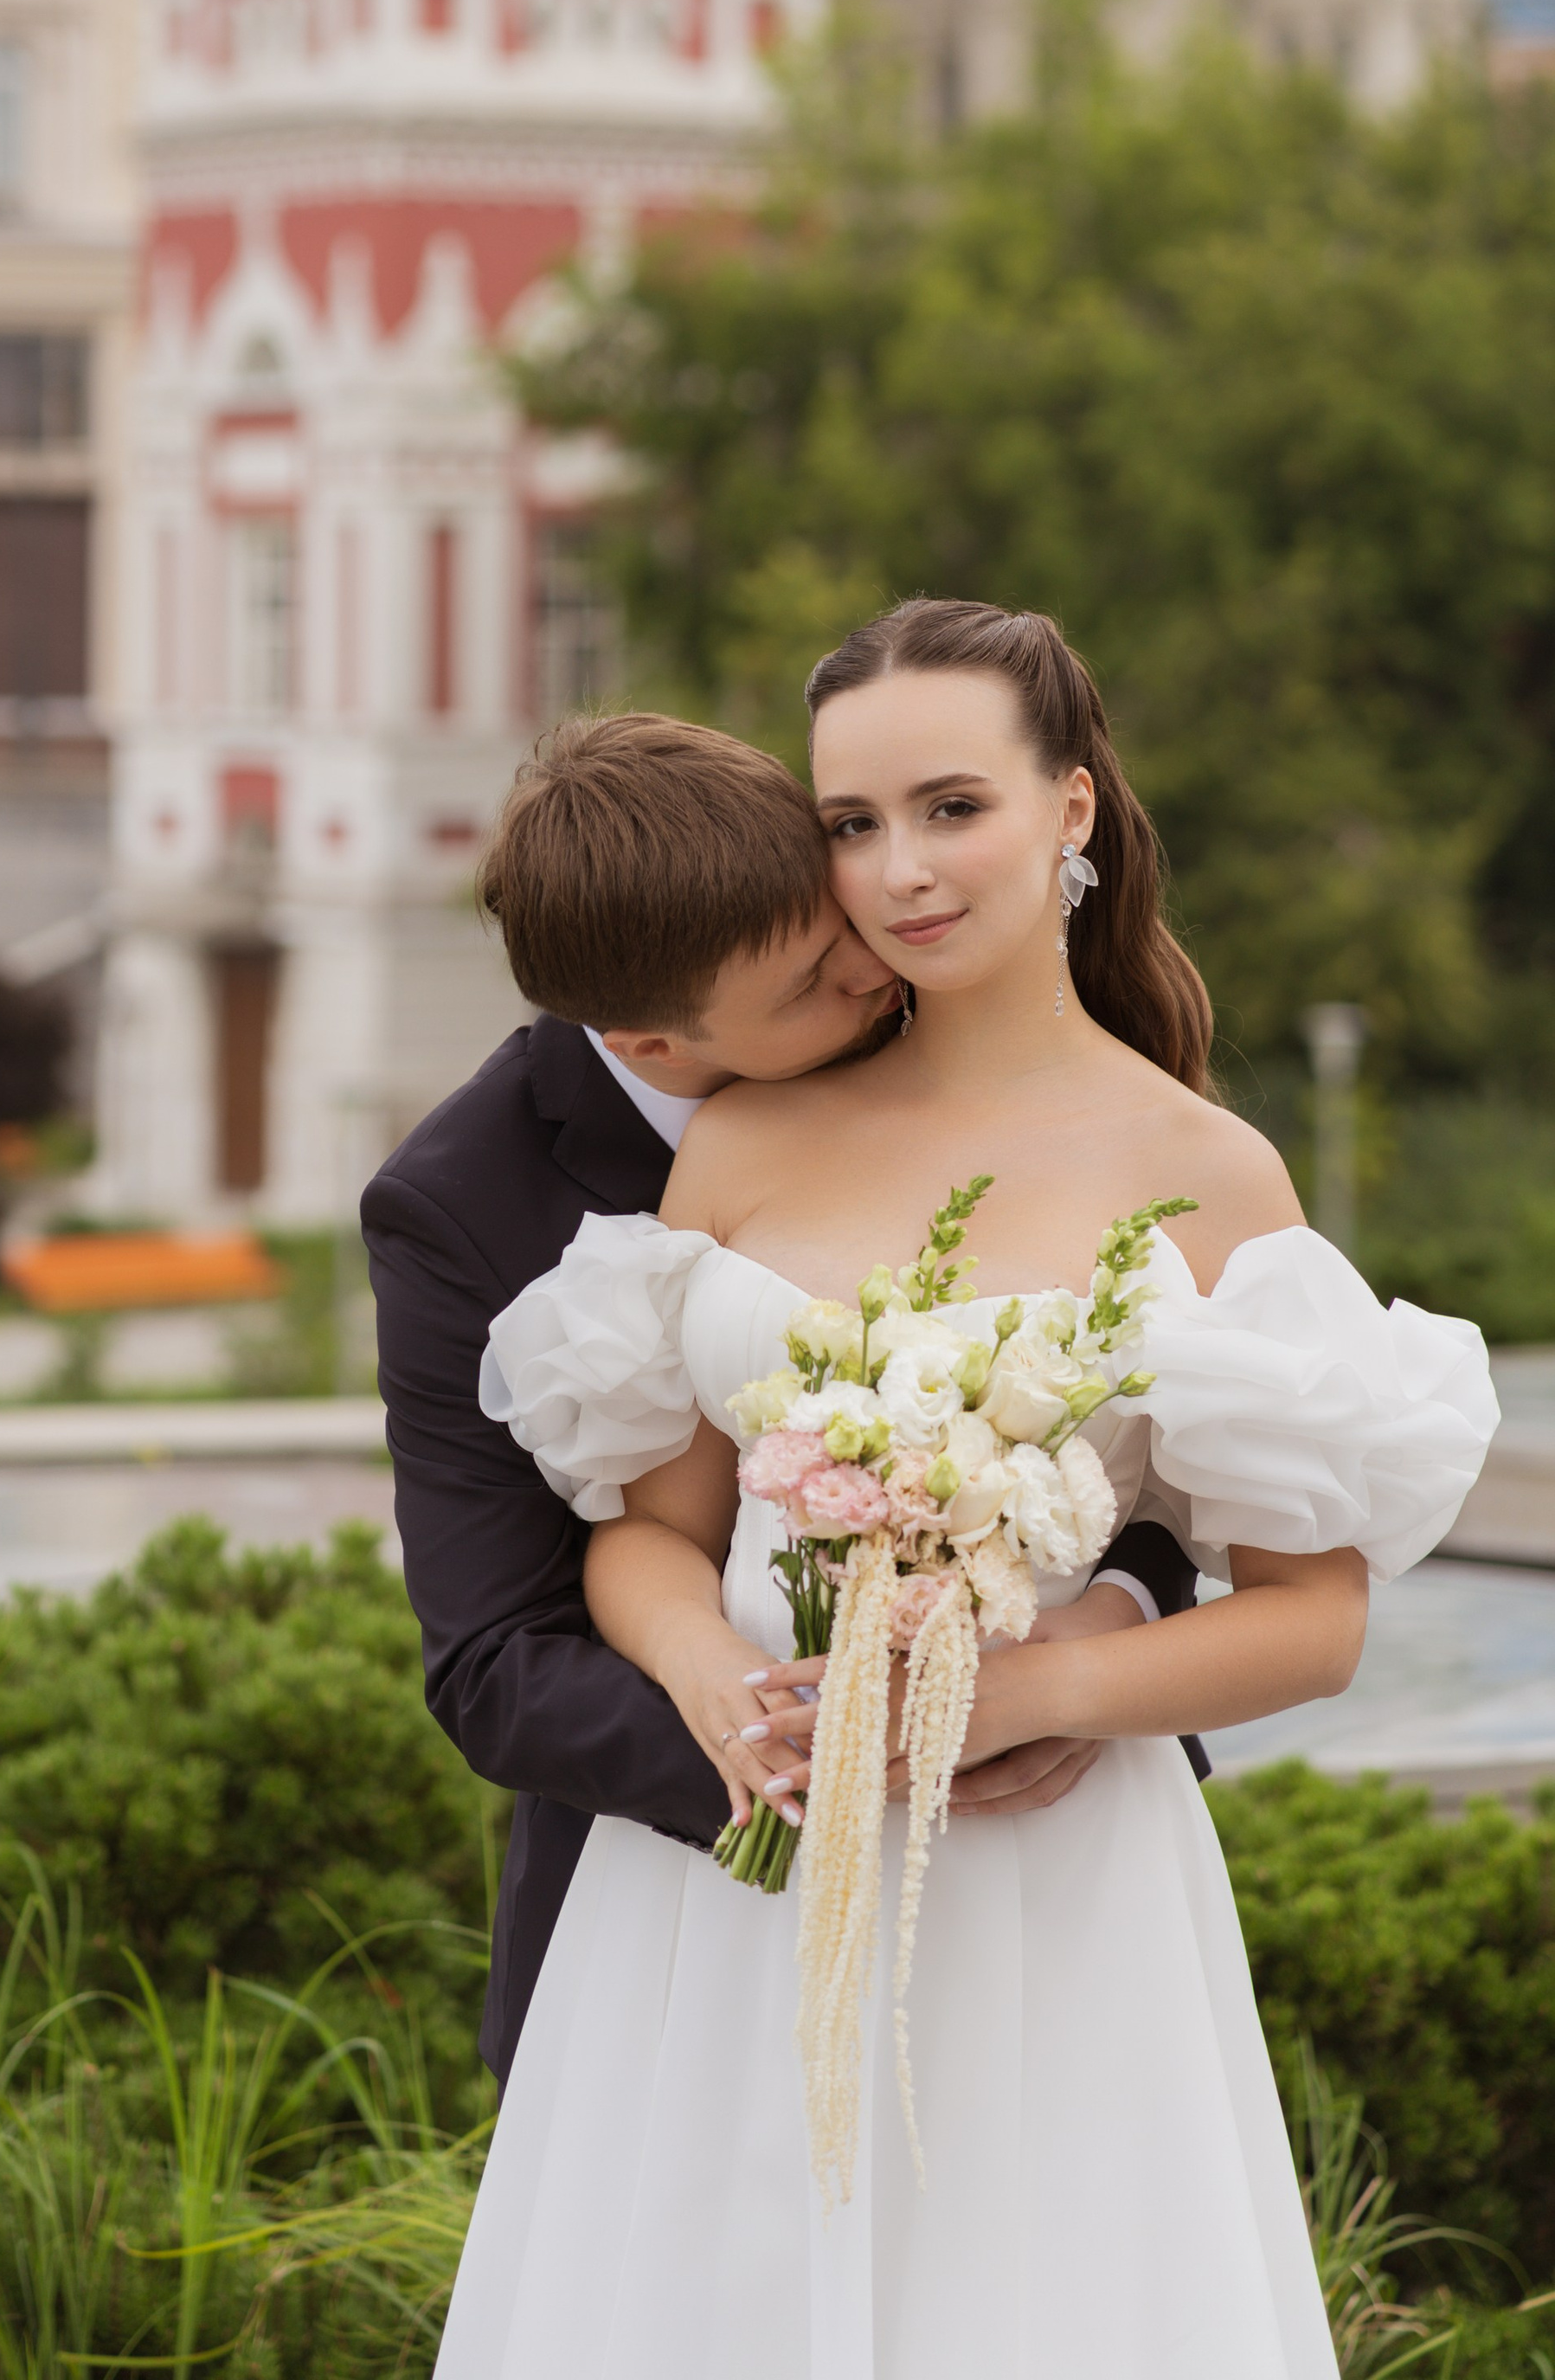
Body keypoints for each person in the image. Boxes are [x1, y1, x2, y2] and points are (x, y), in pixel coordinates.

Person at [441, 602, 1498, 2380]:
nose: (896, 871)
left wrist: (1044, 1684)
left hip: (1046, 1883)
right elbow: (646, 1539)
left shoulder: (1204, 1170)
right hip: (724, 1882)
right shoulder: (744, 1137)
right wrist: (718, 1696)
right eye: (849, 826)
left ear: (1068, 811)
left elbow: (1314, 1621)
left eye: (949, 808)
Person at [365, 708, 1204, 2088]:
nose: (876, 978)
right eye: (814, 982)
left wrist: (1096, 1644)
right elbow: (494, 1659)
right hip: (688, 1916)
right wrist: (818, 1760)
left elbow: (1129, 1412)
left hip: (1049, 1851)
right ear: (651, 1042)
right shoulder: (460, 1204)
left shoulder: (933, 1028)